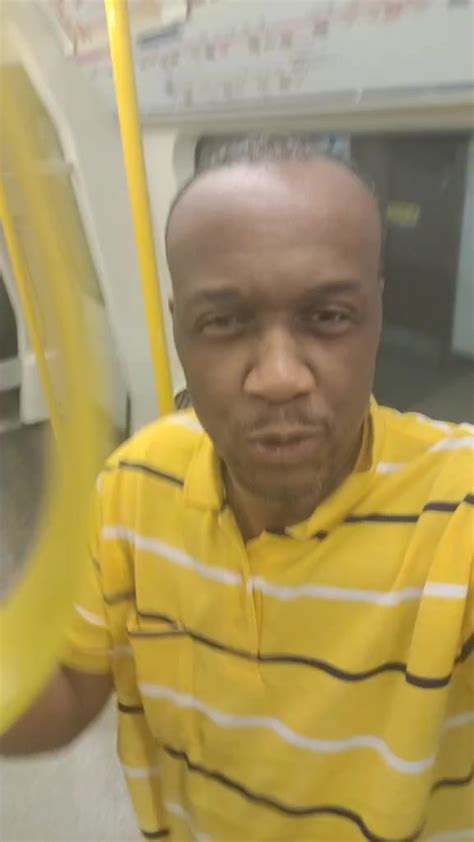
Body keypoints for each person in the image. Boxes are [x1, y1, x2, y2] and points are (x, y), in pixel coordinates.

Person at [1, 142, 473, 842]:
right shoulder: (136, 484)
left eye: (328, 316)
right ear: (180, 330)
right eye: (224, 322)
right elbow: (67, 692)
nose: (278, 377)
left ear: (376, 316)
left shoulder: (458, 504)